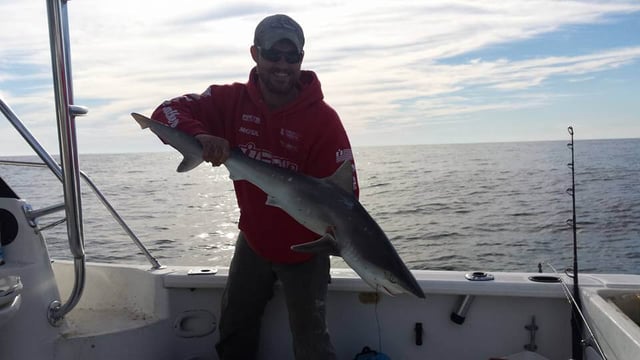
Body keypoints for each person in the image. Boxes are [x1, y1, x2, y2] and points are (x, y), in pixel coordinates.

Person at [151, 14, 358, 360]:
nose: (282, 64)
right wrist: (200, 135)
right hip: (255, 239)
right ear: (255, 54)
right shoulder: (229, 101)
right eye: (272, 54)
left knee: (311, 339)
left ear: (301, 59)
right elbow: (166, 111)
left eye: (292, 57)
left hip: (307, 247)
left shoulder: (323, 120)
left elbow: (345, 200)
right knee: (234, 328)